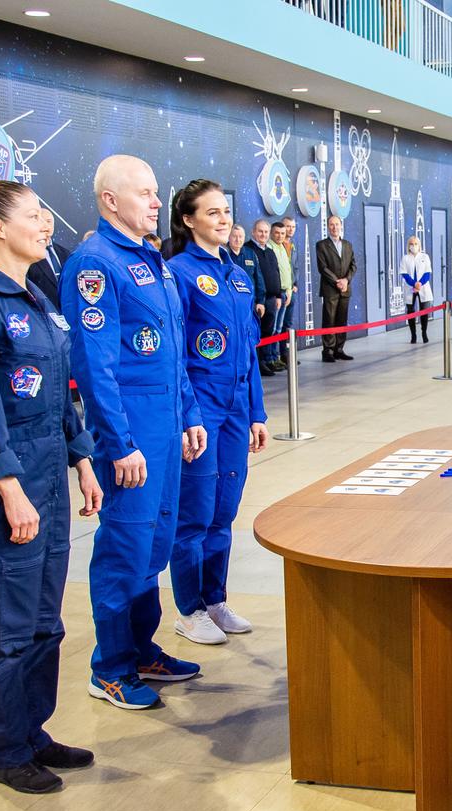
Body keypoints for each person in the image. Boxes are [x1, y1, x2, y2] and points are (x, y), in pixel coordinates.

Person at [0, 177, 103, 794]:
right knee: (6, 630)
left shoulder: (37, 299)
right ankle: (6, 752)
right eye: (34, 215)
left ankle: (32, 731)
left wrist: (83, 460)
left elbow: (59, 393)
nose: (46, 224)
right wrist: (9, 490)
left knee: (44, 623)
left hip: (49, 486)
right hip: (7, 493)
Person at [61, 154, 208, 711]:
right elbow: (95, 368)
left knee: (156, 545)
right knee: (125, 548)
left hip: (169, 430)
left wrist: (190, 412)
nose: (155, 202)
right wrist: (119, 444)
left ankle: (143, 650)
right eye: (144, 193)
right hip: (133, 437)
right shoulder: (95, 265)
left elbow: (173, 353)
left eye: (156, 192)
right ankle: (112, 668)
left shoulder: (153, 260)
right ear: (110, 200)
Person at [165, 180, 269, 645]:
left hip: (235, 412)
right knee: (196, 514)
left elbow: (248, 351)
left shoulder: (239, 274)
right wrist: (189, 416)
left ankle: (214, 598)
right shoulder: (178, 274)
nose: (223, 219)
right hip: (201, 411)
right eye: (211, 213)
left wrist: (257, 413)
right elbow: (174, 357)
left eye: (225, 211)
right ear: (188, 220)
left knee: (225, 511)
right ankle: (189, 610)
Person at [315, 214, 356, 362]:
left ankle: (339, 349)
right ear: (328, 227)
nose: (334, 227)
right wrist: (337, 282)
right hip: (330, 289)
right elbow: (323, 268)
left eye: (337, 224)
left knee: (341, 320)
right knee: (329, 320)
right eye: (331, 225)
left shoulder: (347, 245)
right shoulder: (321, 245)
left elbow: (353, 265)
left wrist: (346, 280)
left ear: (341, 226)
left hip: (345, 289)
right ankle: (328, 351)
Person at [245, 220, 283, 375]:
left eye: (266, 232)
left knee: (269, 332)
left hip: (272, 299)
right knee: (257, 332)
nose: (263, 235)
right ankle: (258, 363)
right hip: (258, 301)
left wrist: (279, 295)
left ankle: (267, 360)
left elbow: (276, 272)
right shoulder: (248, 250)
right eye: (260, 231)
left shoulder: (270, 250)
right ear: (253, 232)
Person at [26, 208, 72, 307]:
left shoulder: (65, 252)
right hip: (42, 309)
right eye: (42, 221)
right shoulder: (28, 254)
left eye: (49, 221)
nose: (46, 225)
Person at [399, 235, 434, 343]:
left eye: (415, 244)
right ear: (408, 246)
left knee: (424, 311)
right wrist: (414, 284)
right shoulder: (405, 258)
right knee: (411, 311)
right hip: (410, 287)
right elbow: (404, 274)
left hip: (423, 287)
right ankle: (413, 335)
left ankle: (424, 333)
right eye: (411, 244)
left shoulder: (425, 257)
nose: (413, 246)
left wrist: (420, 284)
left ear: (419, 245)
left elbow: (427, 273)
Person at [277, 216, 300, 367]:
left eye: (292, 227)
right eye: (287, 227)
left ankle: (287, 355)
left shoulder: (293, 245)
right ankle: (277, 356)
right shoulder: (277, 246)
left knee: (288, 325)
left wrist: (295, 284)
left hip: (292, 290)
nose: (290, 230)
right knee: (278, 326)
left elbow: (295, 267)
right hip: (281, 292)